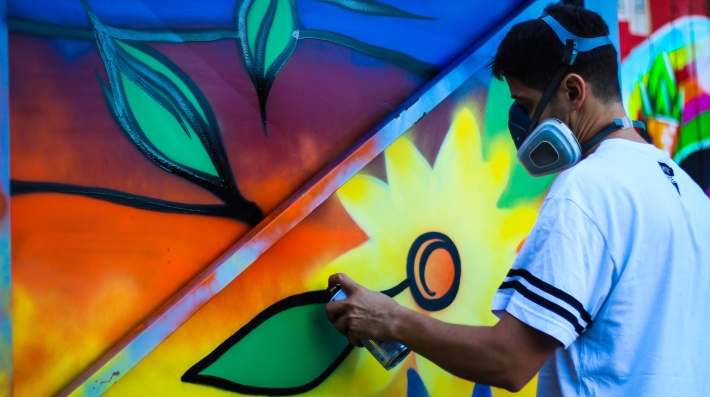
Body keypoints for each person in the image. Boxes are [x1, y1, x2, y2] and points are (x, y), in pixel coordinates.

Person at [325, 4, 710, 396]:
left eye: (526, 106)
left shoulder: (587, 190)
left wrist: (389, 320)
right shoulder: (687, 192)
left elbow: (509, 361)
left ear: (574, 91)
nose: (522, 128)